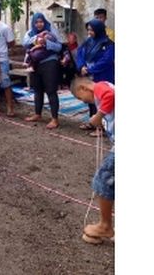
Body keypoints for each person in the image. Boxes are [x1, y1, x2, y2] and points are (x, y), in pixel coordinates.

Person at [70, 76, 115, 244]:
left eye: (82, 99)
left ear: (83, 88)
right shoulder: (103, 88)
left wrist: (98, 116)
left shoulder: (100, 88)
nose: (85, 102)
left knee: (103, 179)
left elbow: (110, 95)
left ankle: (105, 226)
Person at [22, 13, 63, 130]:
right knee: (37, 90)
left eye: (41, 22)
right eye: (36, 22)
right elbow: (25, 43)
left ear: (44, 22)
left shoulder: (51, 31)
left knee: (51, 91)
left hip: (50, 62)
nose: (39, 24)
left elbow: (59, 47)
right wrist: (37, 38)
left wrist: (46, 43)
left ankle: (55, 119)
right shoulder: (30, 33)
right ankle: (37, 114)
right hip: (35, 63)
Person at [76, 19, 115, 136]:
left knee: (103, 101)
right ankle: (92, 122)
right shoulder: (88, 42)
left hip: (103, 75)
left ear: (98, 30)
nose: (89, 32)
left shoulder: (108, 44)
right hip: (89, 75)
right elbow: (80, 53)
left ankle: (102, 127)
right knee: (91, 99)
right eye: (88, 30)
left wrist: (90, 69)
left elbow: (106, 61)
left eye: (92, 30)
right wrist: (81, 66)